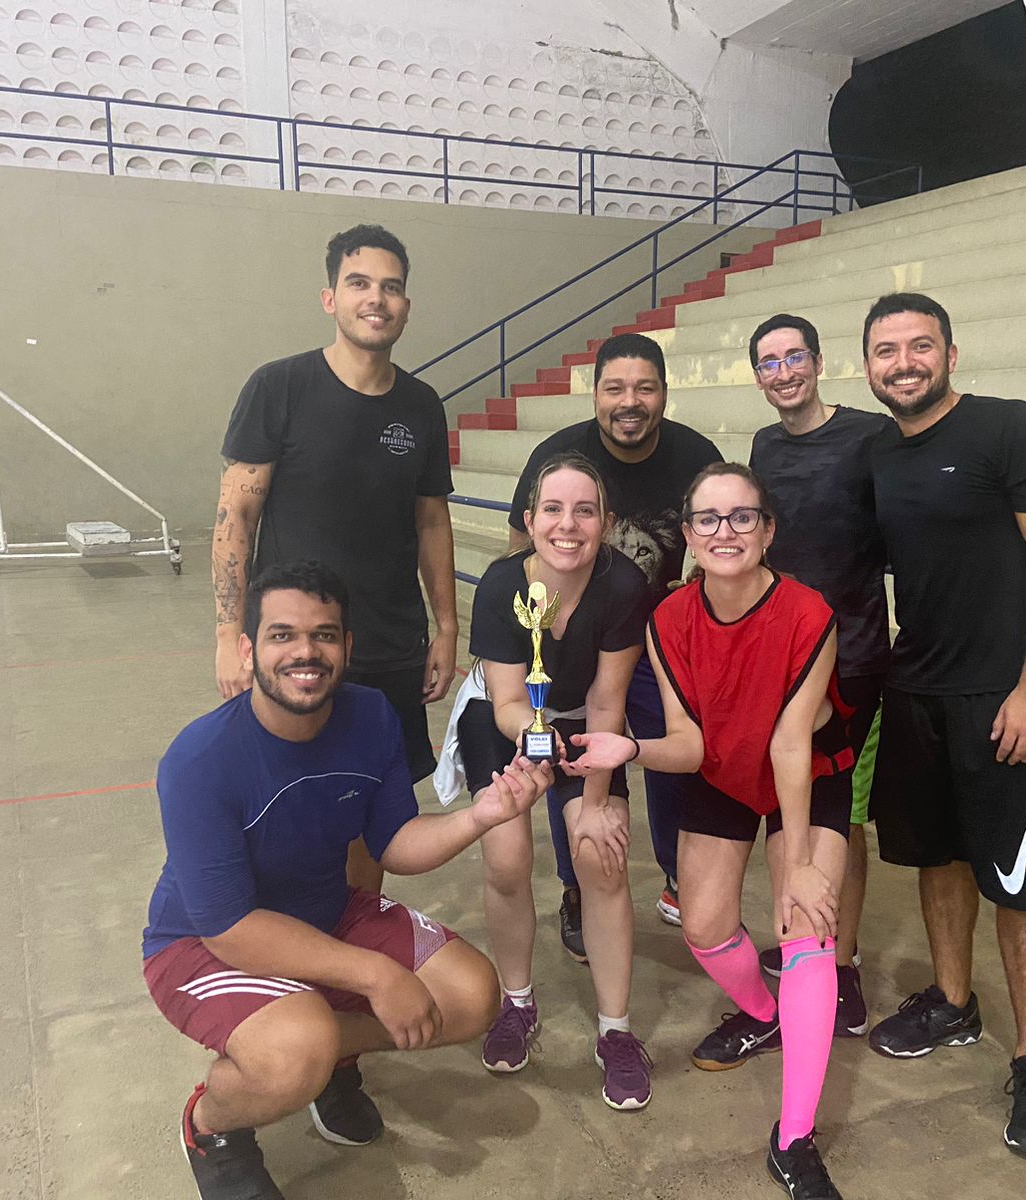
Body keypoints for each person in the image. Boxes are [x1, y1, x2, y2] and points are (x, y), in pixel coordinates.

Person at [145, 560, 553, 1200]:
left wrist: (481, 816)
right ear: (248, 650)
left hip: (327, 911)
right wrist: (376, 976)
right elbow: (228, 929)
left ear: (347, 646)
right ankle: (214, 1127)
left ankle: (326, 1055)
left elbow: (395, 842)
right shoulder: (200, 760)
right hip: (200, 945)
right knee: (296, 1049)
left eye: (324, 635)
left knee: (471, 997)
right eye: (282, 635)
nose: (305, 652)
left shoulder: (370, 715)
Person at [571, 463, 855, 1200]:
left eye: (741, 517)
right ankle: (765, 1015)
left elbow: (790, 744)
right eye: (708, 519)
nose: (724, 532)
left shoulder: (808, 613)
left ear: (767, 530)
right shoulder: (668, 620)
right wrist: (629, 750)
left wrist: (799, 865)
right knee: (702, 925)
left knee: (806, 924)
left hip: (805, 770)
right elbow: (691, 745)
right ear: (690, 535)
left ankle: (794, 1139)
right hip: (724, 766)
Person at [860, 292, 1026, 1160]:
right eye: (886, 350)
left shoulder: (1009, 428)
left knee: (1021, 887)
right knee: (939, 858)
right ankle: (954, 1004)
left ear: (951, 354)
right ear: (868, 366)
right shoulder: (880, 452)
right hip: (915, 690)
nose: (904, 363)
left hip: (1002, 697)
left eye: (920, 346)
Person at [212, 223, 457, 934]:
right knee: (282, 807)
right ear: (330, 298)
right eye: (359, 283)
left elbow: (431, 522)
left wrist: (446, 627)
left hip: (389, 646)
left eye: (391, 287)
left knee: (368, 817)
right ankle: (286, 957)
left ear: (406, 305)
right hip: (295, 647)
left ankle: (349, 949)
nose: (376, 298)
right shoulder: (279, 387)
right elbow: (235, 516)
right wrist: (230, 634)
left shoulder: (421, 406)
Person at [507, 332, 721, 956]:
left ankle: (678, 875)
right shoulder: (558, 455)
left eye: (644, 388)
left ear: (664, 393)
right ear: (595, 394)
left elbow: (718, 539)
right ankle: (576, 886)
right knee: (570, 760)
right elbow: (522, 551)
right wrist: (535, 637)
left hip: (660, 651)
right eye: (615, 388)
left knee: (672, 758)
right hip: (577, 647)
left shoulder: (695, 456)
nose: (630, 402)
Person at [457, 453, 652, 1108]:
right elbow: (510, 701)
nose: (568, 525)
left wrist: (594, 800)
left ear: (606, 523)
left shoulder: (623, 586)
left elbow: (607, 700)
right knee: (507, 858)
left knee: (600, 856)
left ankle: (616, 1031)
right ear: (530, 519)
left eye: (584, 511)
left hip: (588, 722)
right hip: (507, 720)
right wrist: (536, 745)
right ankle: (516, 1002)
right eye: (553, 509)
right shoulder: (500, 585)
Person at [746, 313, 891, 1039]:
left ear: (818, 361)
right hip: (781, 665)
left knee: (842, 819)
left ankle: (844, 963)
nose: (784, 372)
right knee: (789, 813)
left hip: (854, 665)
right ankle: (806, 938)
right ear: (758, 377)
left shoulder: (868, 437)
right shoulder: (764, 446)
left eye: (793, 356)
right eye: (769, 363)